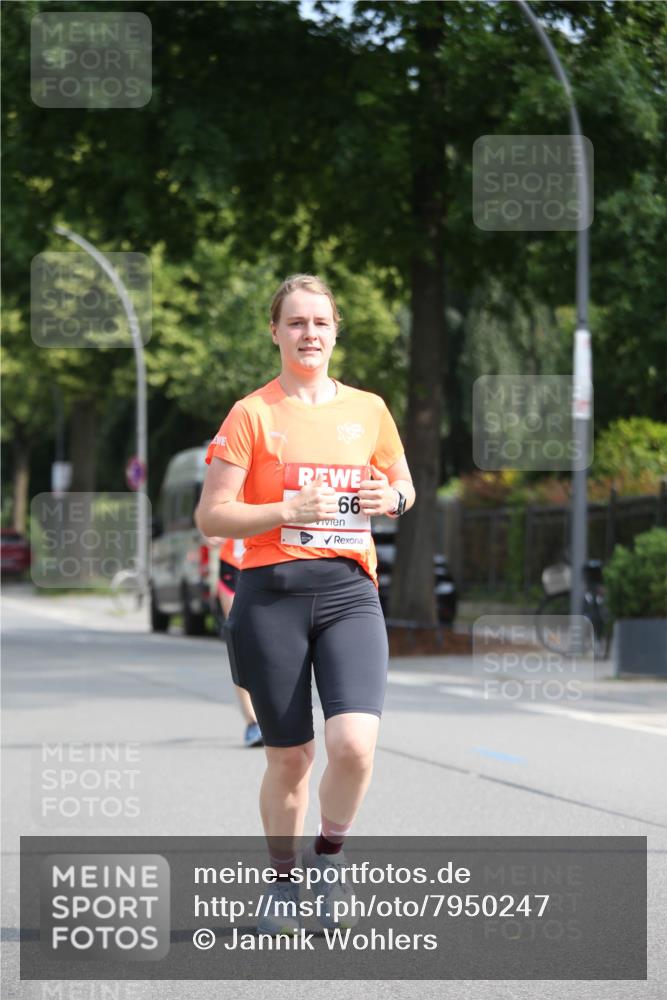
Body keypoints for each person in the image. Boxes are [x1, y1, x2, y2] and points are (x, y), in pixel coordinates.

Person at [196, 274, 415, 935]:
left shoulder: (369, 410)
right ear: (275, 332)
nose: (308, 333)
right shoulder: (251, 414)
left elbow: (402, 484)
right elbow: (211, 515)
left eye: (320, 322)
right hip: (271, 597)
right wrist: (284, 509)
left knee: (353, 745)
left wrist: (393, 498)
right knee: (290, 758)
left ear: (336, 331)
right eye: (295, 322)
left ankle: (328, 858)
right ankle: (282, 882)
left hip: (349, 593)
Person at [202, 532, 264, 748]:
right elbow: (208, 520)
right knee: (241, 643)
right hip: (234, 566)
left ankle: (272, 715)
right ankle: (252, 722)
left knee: (268, 649)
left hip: (269, 563)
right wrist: (209, 531)